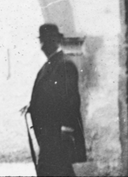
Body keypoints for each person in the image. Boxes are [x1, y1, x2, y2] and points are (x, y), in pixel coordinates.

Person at [26, 23, 87, 177]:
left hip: (58, 132)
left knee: (50, 169)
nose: (43, 46)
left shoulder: (65, 64)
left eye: (47, 41)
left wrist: (67, 127)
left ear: (56, 41)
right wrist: (32, 106)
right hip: (49, 132)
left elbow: (71, 99)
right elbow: (47, 95)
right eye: (42, 41)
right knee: (59, 170)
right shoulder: (49, 65)